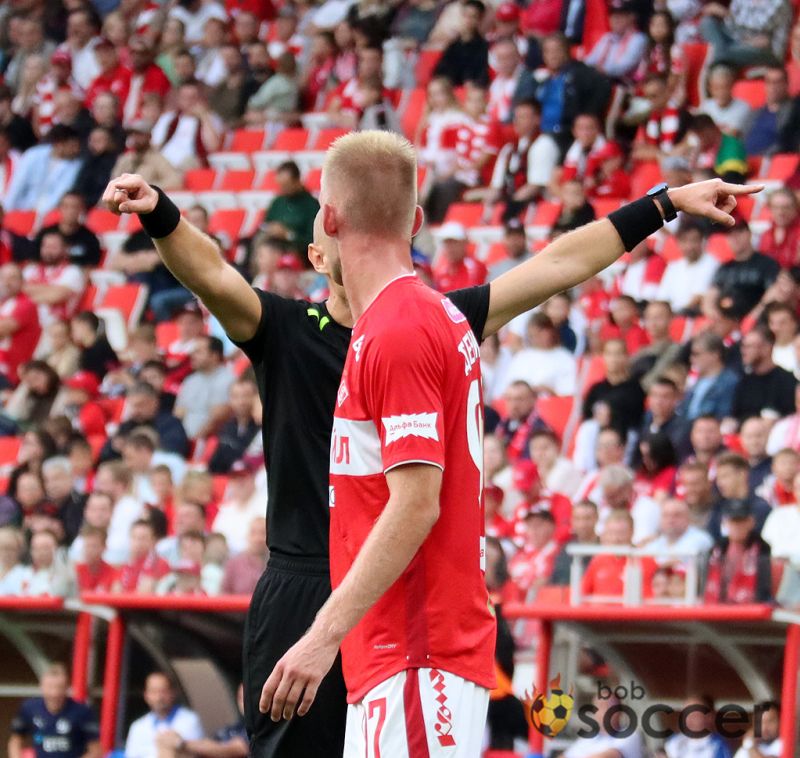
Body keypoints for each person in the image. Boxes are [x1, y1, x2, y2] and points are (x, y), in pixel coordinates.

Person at [103, 163, 760, 755]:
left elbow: (558, 266)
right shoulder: (284, 330)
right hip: (304, 587)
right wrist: (159, 210)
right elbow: (212, 273)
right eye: (340, 223)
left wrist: (663, 202)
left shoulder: (428, 324)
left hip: (396, 596)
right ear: (317, 248)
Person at [487, 99, 560, 221]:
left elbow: (535, 186)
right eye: (516, 117)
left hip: (535, 208)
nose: (517, 121)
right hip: (511, 204)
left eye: (523, 117)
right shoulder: (509, 149)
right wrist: (488, 205)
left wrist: (511, 207)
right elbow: (496, 187)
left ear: (537, 119)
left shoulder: (543, 144)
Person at [8, 663, 100, 758]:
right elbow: (15, 741)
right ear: (42, 686)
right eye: (50, 687)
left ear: (66, 688)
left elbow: (96, 751)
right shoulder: (29, 708)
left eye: (59, 687)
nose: (54, 693)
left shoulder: (83, 712)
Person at [4, 125, 83, 215]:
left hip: (48, 212)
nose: (76, 150)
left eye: (77, 146)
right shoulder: (33, 154)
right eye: (72, 146)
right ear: (59, 144)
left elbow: (60, 193)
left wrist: (39, 215)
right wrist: (7, 209)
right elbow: (17, 184)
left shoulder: (76, 166)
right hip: (22, 207)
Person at [125, 672, 204, 758]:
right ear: (146, 695)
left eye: (163, 691)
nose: (159, 697)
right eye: (154, 692)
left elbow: (193, 754)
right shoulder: (138, 726)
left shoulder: (189, 720)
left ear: (173, 693)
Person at [713, 218, 779, 316]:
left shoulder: (767, 264)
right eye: (730, 234)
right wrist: (718, 318)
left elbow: (774, 292)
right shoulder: (724, 268)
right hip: (727, 320)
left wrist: (752, 318)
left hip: (757, 321)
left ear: (749, 234)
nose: (735, 237)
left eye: (739, 231)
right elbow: (711, 295)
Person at [174, 336, 235, 439]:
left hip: (208, 441)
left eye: (198, 352)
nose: (192, 356)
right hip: (182, 440)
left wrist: (194, 441)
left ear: (214, 356)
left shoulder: (228, 380)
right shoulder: (190, 380)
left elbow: (217, 419)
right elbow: (178, 414)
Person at [732, 325, 797, 422]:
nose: (743, 351)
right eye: (743, 346)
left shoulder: (787, 381)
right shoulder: (743, 382)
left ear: (766, 348)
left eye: (749, 346)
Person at [22, 231, 86, 330]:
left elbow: (58, 295)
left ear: (65, 249)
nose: (48, 250)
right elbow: (17, 290)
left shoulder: (73, 272)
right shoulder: (30, 270)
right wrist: (50, 289)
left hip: (57, 327)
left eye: (53, 247)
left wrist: (26, 295)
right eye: (45, 246)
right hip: (26, 323)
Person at [657, 219, 720, 314]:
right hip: (671, 316)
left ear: (702, 241)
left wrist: (674, 315)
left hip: (692, 316)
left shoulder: (712, 263)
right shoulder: (673, 267)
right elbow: (662, 298)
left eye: (694, 240)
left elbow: (697, 298)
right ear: (678, 243)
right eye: (684, 241)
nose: (689, 246)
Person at [262, 161, 321, 256]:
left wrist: (288, 235)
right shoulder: (278, 201)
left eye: (286, 185)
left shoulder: (311, 205)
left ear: (297, 181)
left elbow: (312, 241)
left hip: (296, 251)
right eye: (280, 185)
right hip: (273, 245)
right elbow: (265, 224)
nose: (282, 189)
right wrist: (272, 229)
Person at [34, 192, 102, 269]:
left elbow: (91, 267)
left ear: (82, 209)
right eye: (66, 206)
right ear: (59, 208)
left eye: (75, 207)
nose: (70, 211)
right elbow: (33, 261)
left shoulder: (90, 239)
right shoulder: (45, 233)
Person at [683, 333, 740, 421]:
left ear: (715, 355)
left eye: (696, 354)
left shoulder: (730, 381)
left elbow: (722, 413)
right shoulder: (697, 381)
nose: (691, 359)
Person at [585, 0, 647, 81]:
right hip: (599, 80)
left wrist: (598, 69)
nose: (616, 19)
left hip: (622, 83)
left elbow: (623, 67)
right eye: (613, 15)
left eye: (621, 15)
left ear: (631, 17)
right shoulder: (607, 38)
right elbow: (590, 60)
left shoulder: (638, 39)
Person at [0, 263, 41, 386]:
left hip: (11, 373)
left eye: (13, 278)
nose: (7, 282)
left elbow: (2, 329)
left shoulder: (26, 304)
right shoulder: (5, 303)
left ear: (22, 281)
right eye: (3, 277)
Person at [212, 459, 265, 554]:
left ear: (253, 478)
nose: (239, 482)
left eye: (243, 476)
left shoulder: (266, 504)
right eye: (235, 478)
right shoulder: (225, 510)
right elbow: (216, 539)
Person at [112, 119, 183, 189]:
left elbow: (175, 182)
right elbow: (113, 181)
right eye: (132, 134)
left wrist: (148, 188)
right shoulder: (125, 158)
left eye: (139, 134)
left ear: (149, 136)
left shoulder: (157, 159)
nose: (135, 138)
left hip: (143, 199)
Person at [433, 0, 490, 87]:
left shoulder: (482, 46)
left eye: (473, 16)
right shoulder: (453, 45)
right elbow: (440, 71)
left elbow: (480, 75)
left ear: (479, 19)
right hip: (448, 90)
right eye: (465, 15)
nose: (468, 20)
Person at [664, 694, 733, 757]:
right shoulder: (674, 741)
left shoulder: (718, 747)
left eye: (694, 713)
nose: (688, 718)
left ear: (710, 717)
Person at [431, 222, 488, 292]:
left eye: (454, 242)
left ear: (464, 243)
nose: (450, 248)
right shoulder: (441, 272)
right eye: (446, 243)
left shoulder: (475, 267)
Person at [699, 64, 753, 137]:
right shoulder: (706, 107)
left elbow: (732, 134)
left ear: (731, 86)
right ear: (710, 89)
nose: (721, 92)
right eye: (716, 88)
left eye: (725, 87)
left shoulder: (743, 107)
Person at [222, 516, 268, 595]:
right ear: (247, 535)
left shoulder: (277, 563)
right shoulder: (234, 563)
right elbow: (224, 593)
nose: (258, 538)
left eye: (263, 533)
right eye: (253, 533)